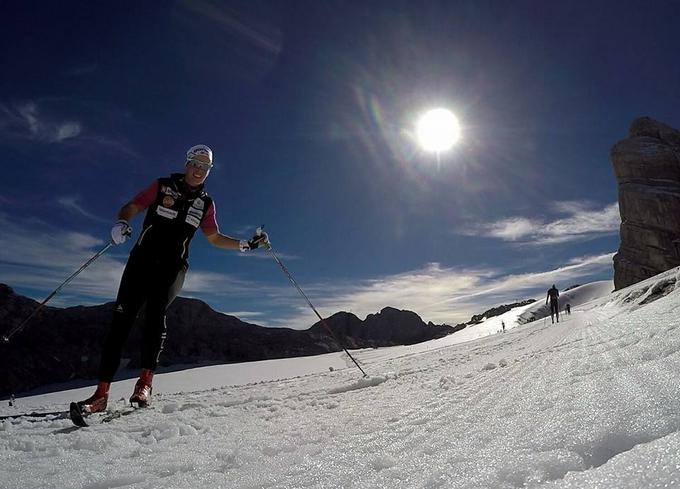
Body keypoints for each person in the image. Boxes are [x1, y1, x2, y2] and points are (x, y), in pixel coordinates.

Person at [75, 144, 268, 414]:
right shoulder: (162, 185)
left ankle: (144, 386)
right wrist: (121, 223)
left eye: (205, 167)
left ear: (209, 171)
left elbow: (214, 238)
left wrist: (245, 245)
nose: (199, 170)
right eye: (195, 164)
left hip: (173, 267)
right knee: (121, 322)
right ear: (187, 163)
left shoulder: (206, 204)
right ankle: (101, 395)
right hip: (141, 262)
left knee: (155, 315)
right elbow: (131, 207)